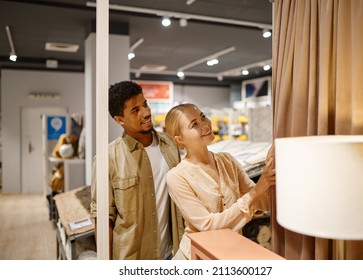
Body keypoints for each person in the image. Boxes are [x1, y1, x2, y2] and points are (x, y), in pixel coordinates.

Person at [164, 103, 276, 260]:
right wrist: (256, 192)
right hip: (195, 257)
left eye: (203, 117)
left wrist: (271, 171)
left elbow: (261, 203)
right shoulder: (177, 177)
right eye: (194, 124)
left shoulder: (227, 161)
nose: (205, 124)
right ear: (180, 138)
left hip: (229, 251)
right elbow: (208, 226)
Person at [90, 80, 184, 260]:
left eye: (145, 104)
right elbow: (103, 219)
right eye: (135, 110)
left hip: (171, 254)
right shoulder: (107, 159)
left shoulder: (170, 144)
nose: (146, 112)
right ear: (119, 120)